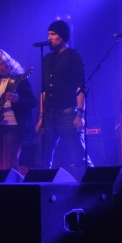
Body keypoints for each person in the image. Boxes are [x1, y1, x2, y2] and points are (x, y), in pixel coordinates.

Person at [35, 20, 92, 178]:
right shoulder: (46, 59)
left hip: (68, 112)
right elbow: (43, 91)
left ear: (62, 36)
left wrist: (79, 114)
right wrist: (41, 117)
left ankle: (92, 184)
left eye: (53, 34)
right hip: (49, 114)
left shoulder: (73, 55)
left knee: (79, 156)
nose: (49, 38)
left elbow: (80, 87)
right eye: (48, 34)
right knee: (42, 159)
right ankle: (44, 186)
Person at [0, 49, 35, 172]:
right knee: (1, 165)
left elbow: (32, 101)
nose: (0, 68)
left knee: (10, 163)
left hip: (14, 126)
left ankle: (13, 183)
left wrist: (18, 99)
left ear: (8, 61)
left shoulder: (20, 80)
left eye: (1, 63)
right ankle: (7, 183)